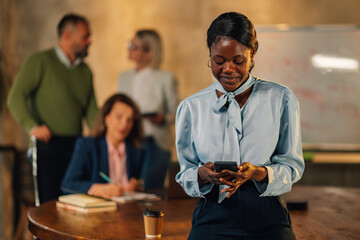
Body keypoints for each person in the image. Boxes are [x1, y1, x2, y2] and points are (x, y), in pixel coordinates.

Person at [175, 12, 304, 240]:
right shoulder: (191, 107)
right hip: (212, 213)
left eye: (238, 61)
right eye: (219, 61)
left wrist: (258, 173)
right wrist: (202, 175)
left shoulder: (281, 98)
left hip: (268, 215)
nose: (228, 69)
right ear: (210, 55)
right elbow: (185, 173)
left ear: (252, 54)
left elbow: (292, 167)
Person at [7, 13, 98, 203]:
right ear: (67, 36)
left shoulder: (86, 71)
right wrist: (32, 127)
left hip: (75, 147)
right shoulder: (39, 62)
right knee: (48, 206)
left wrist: (97, 133)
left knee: (75, 203)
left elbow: (92, 111)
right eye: (85, 36)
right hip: (46, 147)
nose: (90, 41)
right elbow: (15, 98)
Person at [118, 29, 178, 190]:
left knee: (151, 191)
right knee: (129, 189)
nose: (129, 48)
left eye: (133, 46)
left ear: (149, 52)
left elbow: (176, 113)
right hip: (129, 141)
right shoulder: (123, 78)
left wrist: (163, 118)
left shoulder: (166, 78)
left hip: (155, 143)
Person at [61, 94, 144, 199]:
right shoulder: (87, 146)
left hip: (128, 208)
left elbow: (138, 182)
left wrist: (137, 185)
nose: (124, 124)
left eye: (129, 120)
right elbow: (67, 185)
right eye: (119, 117)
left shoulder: (136, 150)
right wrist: (99, 189)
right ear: (106, 117)